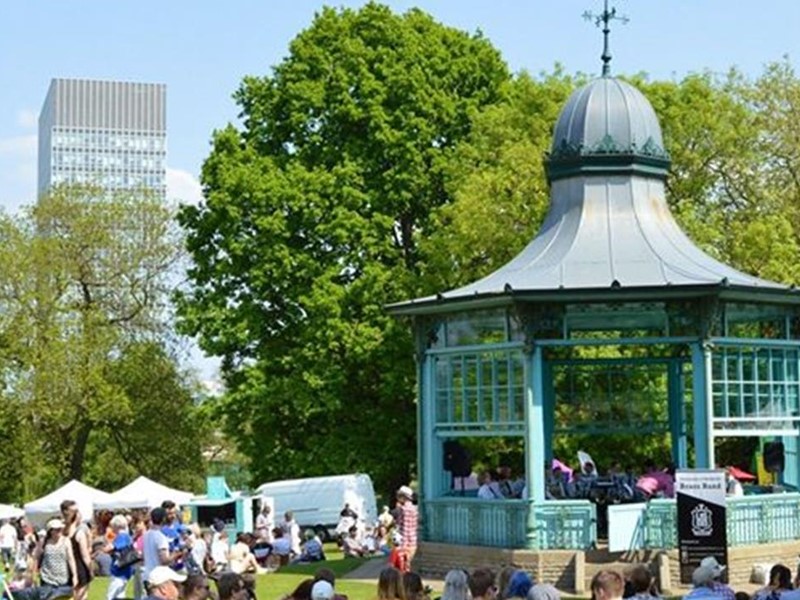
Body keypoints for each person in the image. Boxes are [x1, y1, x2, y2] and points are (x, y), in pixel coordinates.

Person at [14, 518, 76, 600]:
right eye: (57, 530)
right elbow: (35, 557)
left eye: (61, 529)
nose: (60, 531)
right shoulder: (44, 542)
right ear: (51, 531)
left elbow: (71, 559)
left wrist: (75, 575)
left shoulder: (66, 541)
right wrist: (33, 574)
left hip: (63, 578)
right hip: (47, 578)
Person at [61, 500, 93, 600]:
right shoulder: (79, 533)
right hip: (80, 568)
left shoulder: (59, 530)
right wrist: (91, 569)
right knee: (81, 596)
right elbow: (85, 555)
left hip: (65, 568)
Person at [143, 507, 178, 584]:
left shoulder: (146, 534)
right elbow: (164, 560)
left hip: (147, 573)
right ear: (163, 519)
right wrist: (177, 553)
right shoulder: (160, 537)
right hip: (158, 576)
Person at [106, 514, 137, 600]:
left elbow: (111, 548)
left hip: (119, 571)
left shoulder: (122, 536)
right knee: (120, 595)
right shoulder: (127, 536)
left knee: (110, 596)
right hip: (125, 570)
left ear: (116, 525)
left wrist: (106, 546)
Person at [395, 485, 418, 573]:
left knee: (403, 565)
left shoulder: (402, 509)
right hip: (413, 539)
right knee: (409, 563)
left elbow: (400, 525)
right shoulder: (415, 509)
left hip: (404, 540)